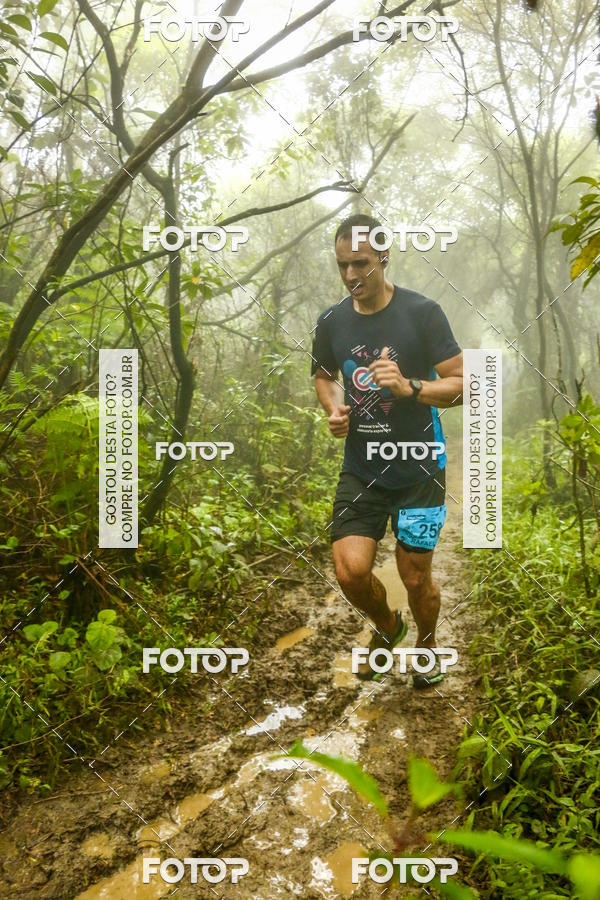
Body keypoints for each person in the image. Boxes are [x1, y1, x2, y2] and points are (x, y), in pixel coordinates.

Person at [311, 213, 463, 687]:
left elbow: (463, 385)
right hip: (362, 469)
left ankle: (428, 645)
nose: (352, 275)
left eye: (361, 263)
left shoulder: (422, 313)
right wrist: (335, 409)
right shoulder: (332, 321)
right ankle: (388, 626)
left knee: (416, 578)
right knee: (350, 572)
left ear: (384, 257)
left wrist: (411, 386)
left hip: (420, 468)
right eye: (343, 266)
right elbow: (322, 375)